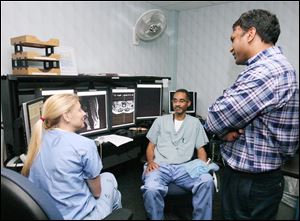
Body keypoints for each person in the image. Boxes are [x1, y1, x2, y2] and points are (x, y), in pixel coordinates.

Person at [204, 9, 299, 220]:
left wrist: (222, 127)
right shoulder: (275, 68)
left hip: (249, 182)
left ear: (250, 34)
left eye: (233, 38)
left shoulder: (267, 71)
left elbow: (214, 119)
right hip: (261, 178)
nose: (231, 47)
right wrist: (225, 130)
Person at [21, 93, 122, 220]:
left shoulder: (38, 140)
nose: (84, 113)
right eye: (79, 110)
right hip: (82, 217)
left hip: (50, 214)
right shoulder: (85, 145)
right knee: (110, 178)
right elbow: (97, 193)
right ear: (67, 116)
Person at [141, 89, 214, 220]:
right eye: (175, 101)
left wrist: (202, 167)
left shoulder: (195, 123)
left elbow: (201, 149)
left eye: (182, 101)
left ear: (188, 103)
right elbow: (150, 147)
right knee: (151, 189)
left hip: (185, 168)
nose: (178, 104)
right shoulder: (160, 121)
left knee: (207, 180)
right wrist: (151, 162)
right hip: (160, 166)